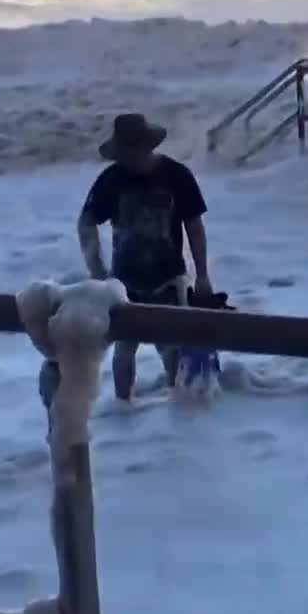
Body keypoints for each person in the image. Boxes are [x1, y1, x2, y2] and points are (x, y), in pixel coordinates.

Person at [77, 112, 213, 401]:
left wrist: (202, 276)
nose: (123, 161)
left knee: (172, 347)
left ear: (144, 147)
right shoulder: (111, 180)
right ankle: (123, 411)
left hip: (169, 279)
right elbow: (86, 223)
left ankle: (178, 410)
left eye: (128, 153)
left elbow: (194, 227)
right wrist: (97, 270)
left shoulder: (176, 176)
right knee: (124, 350)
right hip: (125, 282)